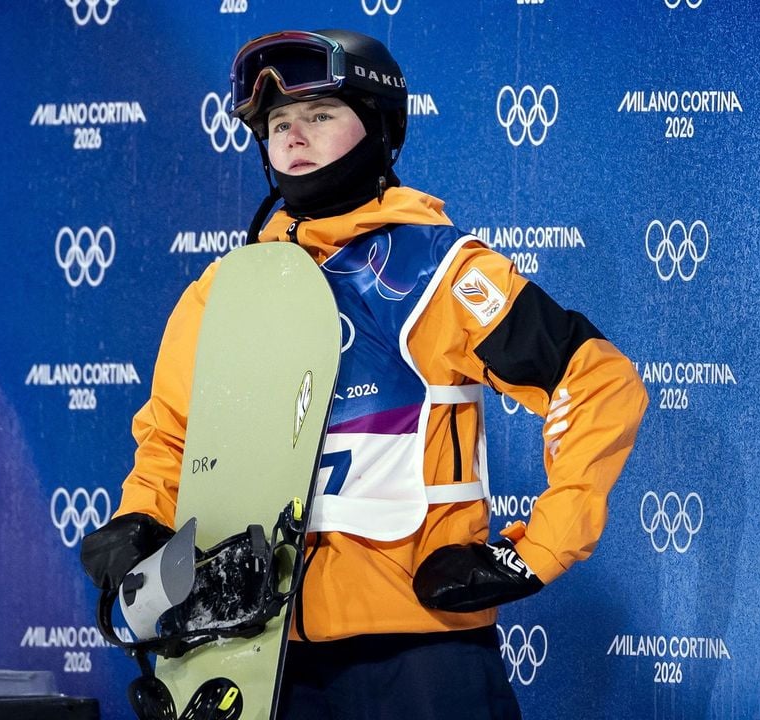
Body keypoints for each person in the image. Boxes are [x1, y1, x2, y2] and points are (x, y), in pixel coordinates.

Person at [82, 29, 648, 719]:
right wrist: (139, 519)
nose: (294, 137)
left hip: (419, 653)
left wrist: (532, 553)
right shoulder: (222, 292)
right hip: (261, 656)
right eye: (279, 124)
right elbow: (173, 441)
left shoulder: (440, 272)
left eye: (319, 116)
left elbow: (597, 382)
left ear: (379, 128)